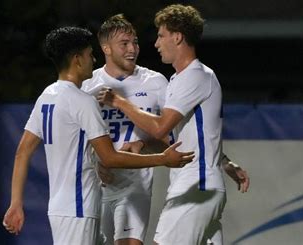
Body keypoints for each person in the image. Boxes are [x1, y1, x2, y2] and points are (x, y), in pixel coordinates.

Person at [1, 26, 194, 245]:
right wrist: (162, 159)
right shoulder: (83, 101)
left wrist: (16, 202)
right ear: (77, 59)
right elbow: (110, 157)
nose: (93, 59)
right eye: (89, 54)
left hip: (62, 206)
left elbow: (22, 152)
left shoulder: (47, 96)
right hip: (79, 205)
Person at [98, 5, 246, 244]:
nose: (156, 43)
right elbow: (180, 138)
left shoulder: (195, 75)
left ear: (177, 37)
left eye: (161, 35)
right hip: (200, 187)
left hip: (196, 187)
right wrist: (141, 146)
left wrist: (119, 101)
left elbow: (160, 127)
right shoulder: (180, 79)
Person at [81, 14, 170, 245]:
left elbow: (171, 138)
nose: (133, 49)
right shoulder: (87, 85)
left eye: (135, 42)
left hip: (135, 186)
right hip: (95, 185)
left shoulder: (156, 82)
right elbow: (75, 138)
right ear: (106, 48)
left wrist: (143, 143)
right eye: (124, 44)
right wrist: (96, 161)